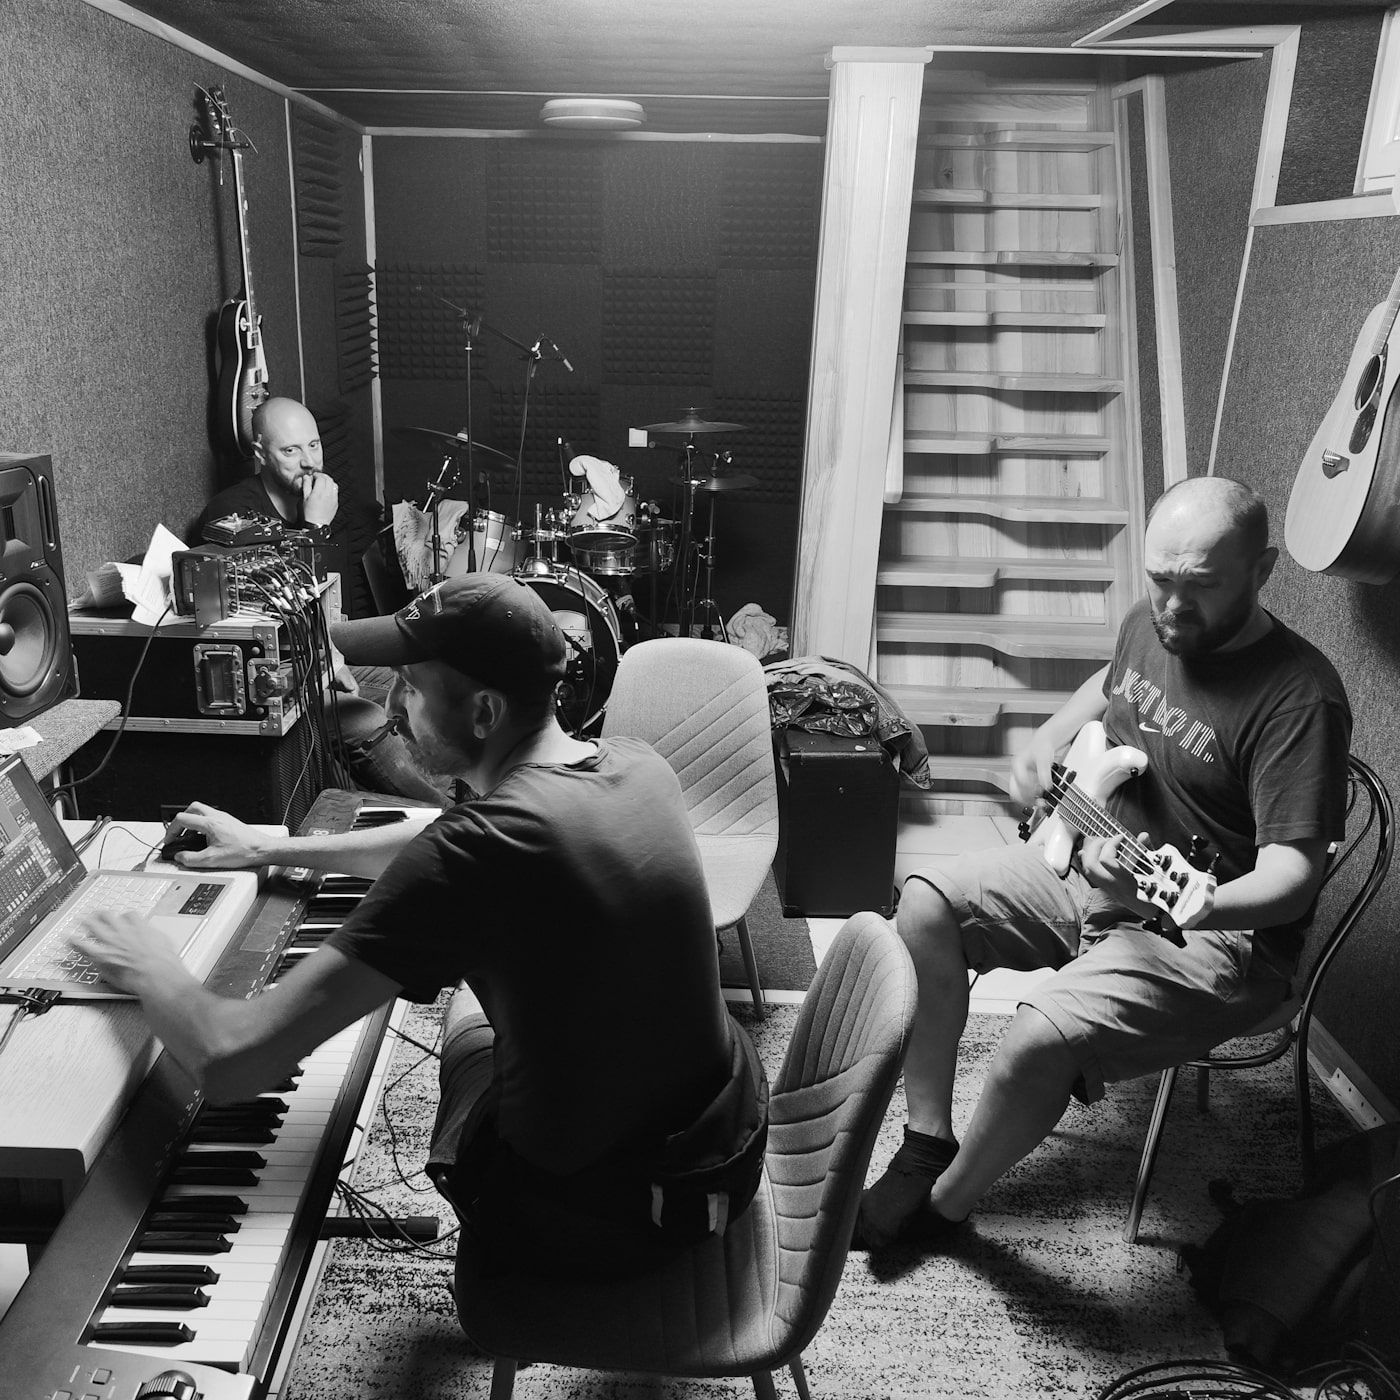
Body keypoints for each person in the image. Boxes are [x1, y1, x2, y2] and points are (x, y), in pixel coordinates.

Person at [74, 572, 767, 1278]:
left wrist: (149, 962)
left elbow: (230, 1062)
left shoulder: (483, 850)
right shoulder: (633, 763)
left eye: (410, 688)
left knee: (462, 1072)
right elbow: (447, 839)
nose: (390, 707)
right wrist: (271, 848)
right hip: (718, 1138)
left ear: (484, 711)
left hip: (622, 1206)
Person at [854, 476, 1352, 1251]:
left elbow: (1292, 881)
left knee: (1034, 1037)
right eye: (1160, 580)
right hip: (1098, 858)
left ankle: (943, 1212)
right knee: (923, 903)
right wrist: (1048, 738)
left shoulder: (1300, 700)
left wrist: (1200, 902)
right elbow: (1111, 682)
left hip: (1216, 935)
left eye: (1201, 586)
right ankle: (926, 1141)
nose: (1172, 608)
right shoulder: (1152, 624)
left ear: (1262, 571)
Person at [196, 396, 445, 805]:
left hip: (325, 661)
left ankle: (473, 794)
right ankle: (449, 818)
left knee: (425, 682)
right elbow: (263, 618)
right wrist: (315, 528)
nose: (309, 462)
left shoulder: (316, 498)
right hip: (281, 685)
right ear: (260, 453)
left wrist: (334, 659)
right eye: (290, 451)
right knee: (368, 720)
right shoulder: (233, 515)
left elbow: (326, 601)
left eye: (314, 445)